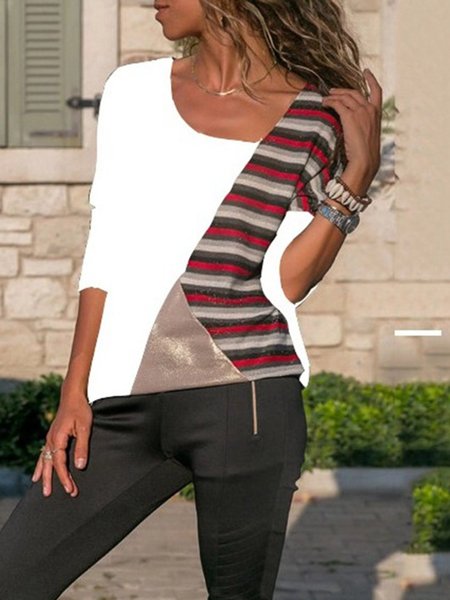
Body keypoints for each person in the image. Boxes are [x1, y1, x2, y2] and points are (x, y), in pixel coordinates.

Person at [0, 1, 381, 598]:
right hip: (119, 405)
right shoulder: (134, 91)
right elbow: (108, 239)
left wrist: (357, 178)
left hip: (245, 399)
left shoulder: (312, 117)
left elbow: (287, 283)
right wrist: (75, 390)